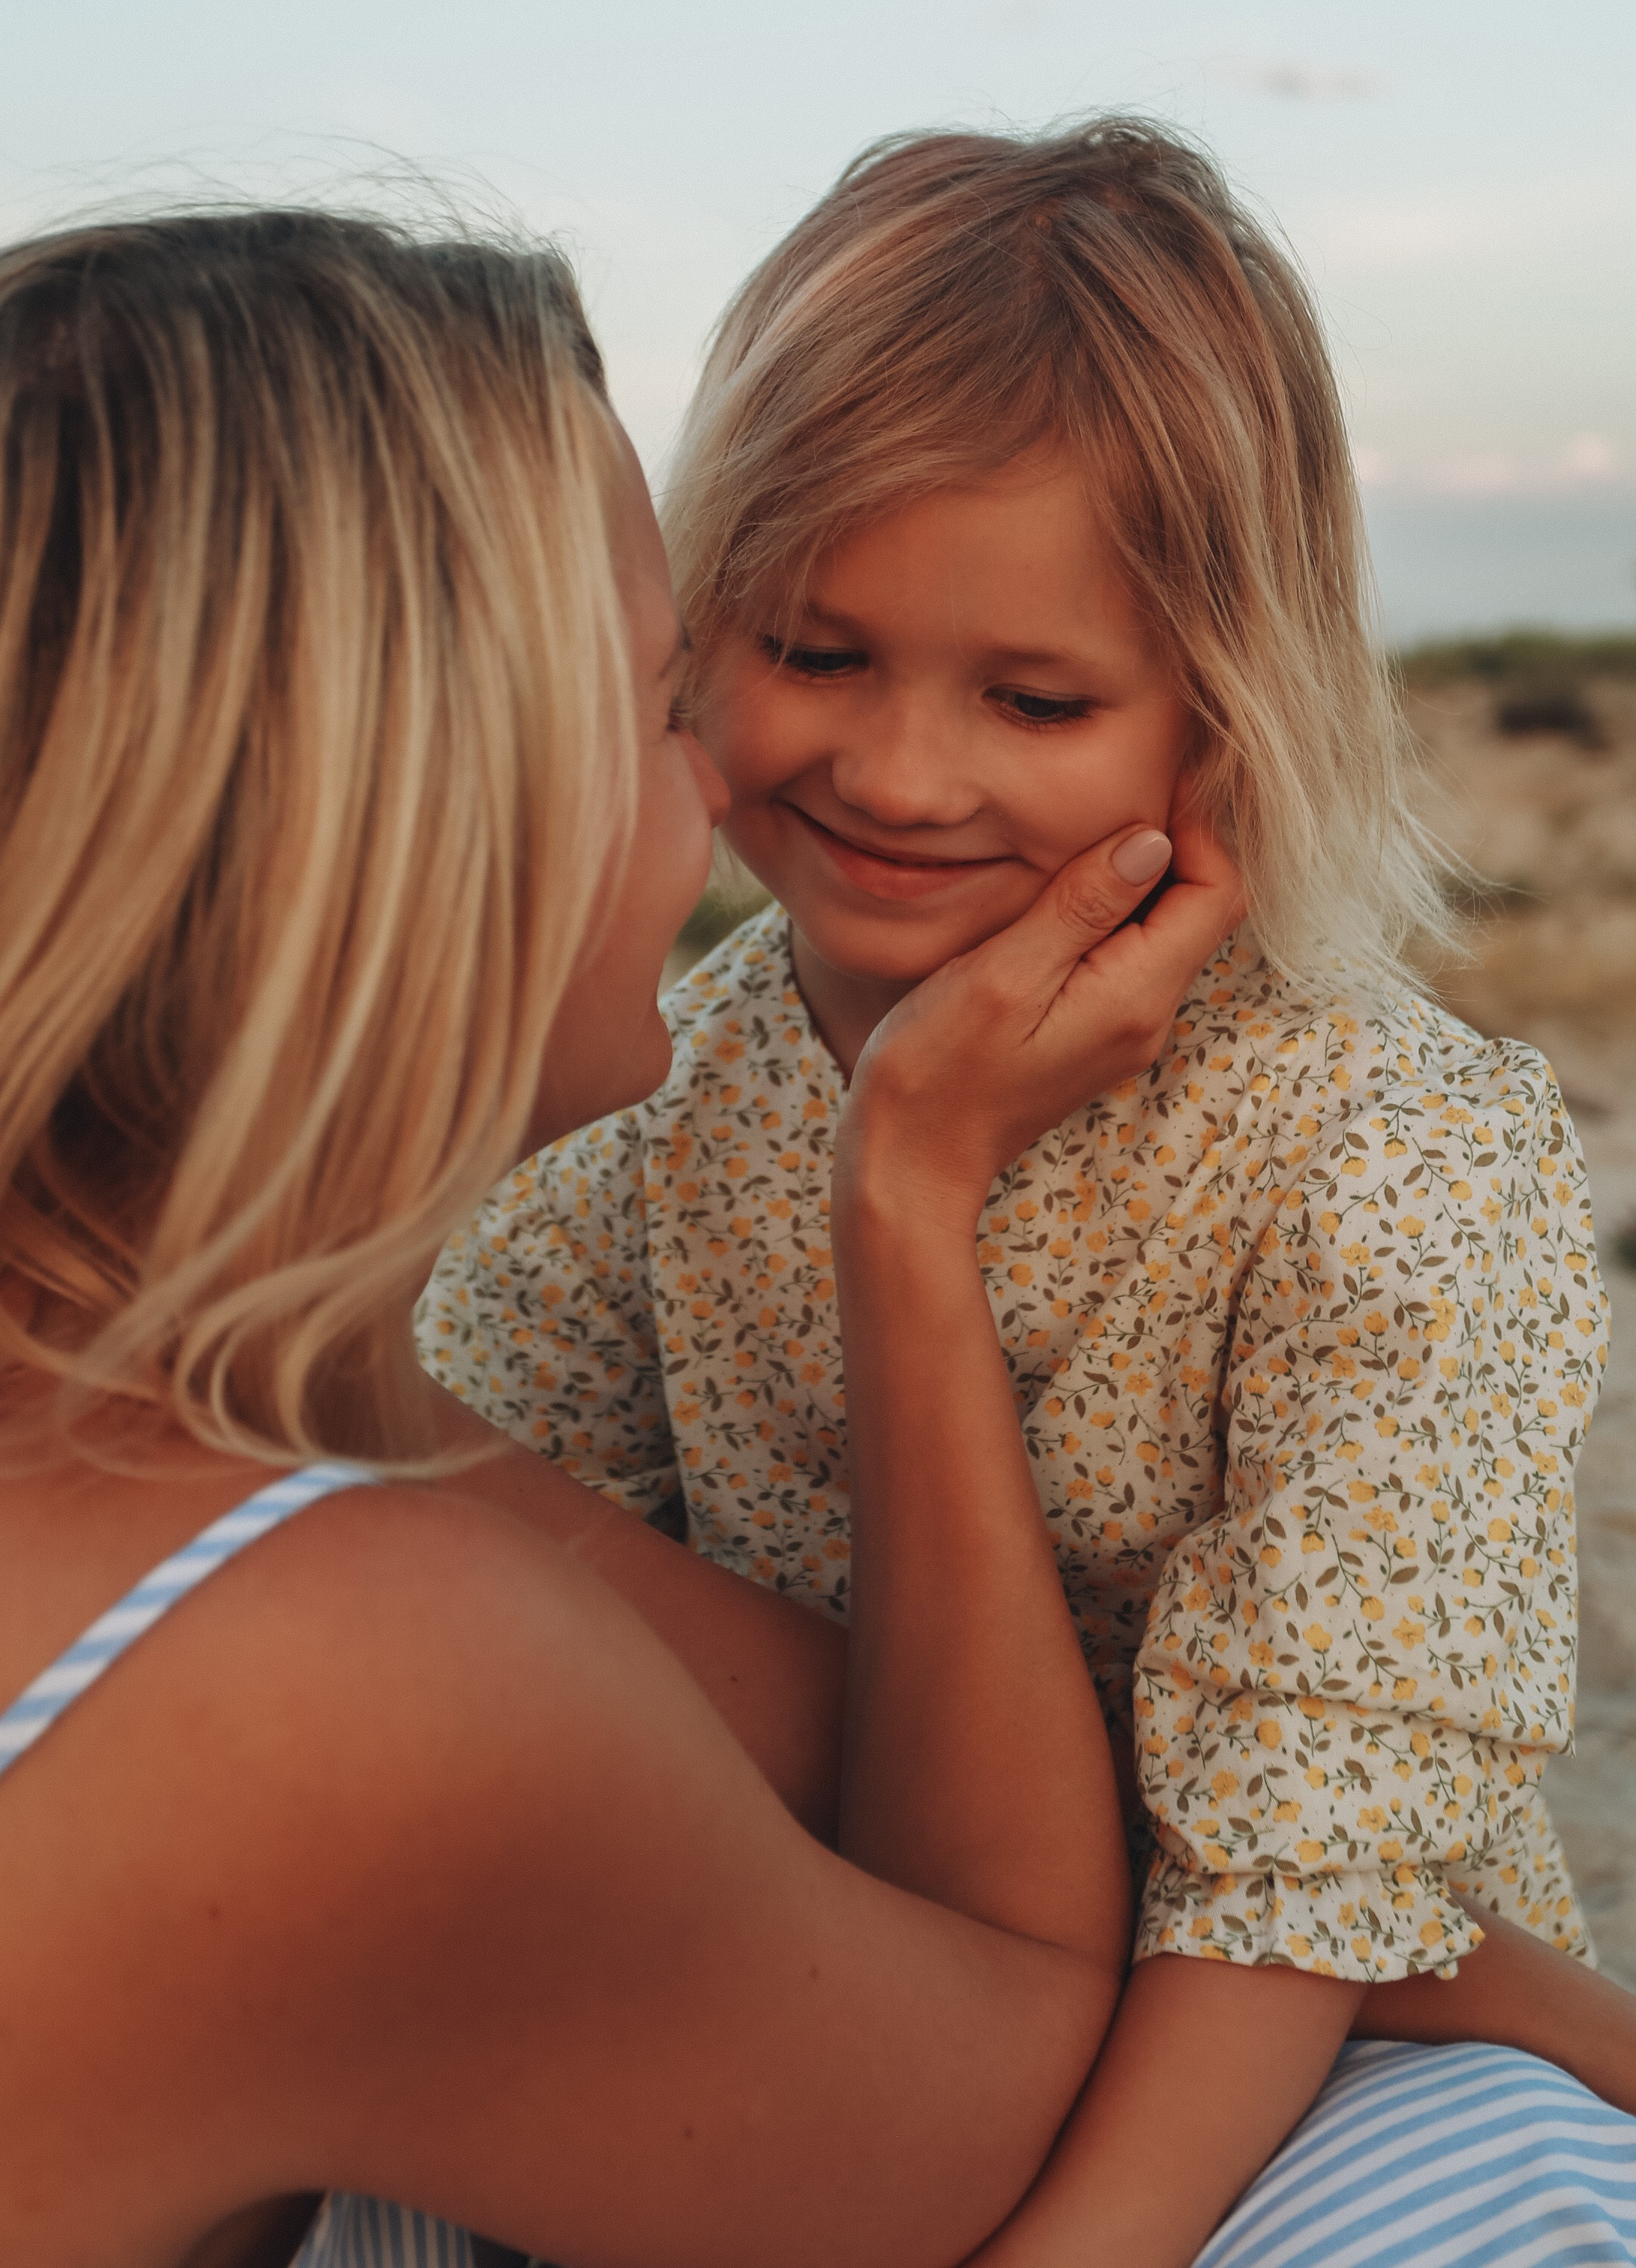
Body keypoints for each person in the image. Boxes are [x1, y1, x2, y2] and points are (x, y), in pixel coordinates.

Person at [0, 201, 1238, 2267]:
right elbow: (984, 2058)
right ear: (419, 808)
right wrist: (905, 1200)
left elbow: (818, 1752)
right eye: (660, 704)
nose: (717, 794)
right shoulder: (325, 1666)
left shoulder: (176, 1405)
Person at [421, 119, 1636, 2266]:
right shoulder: (641, 1129)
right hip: (843, 1987)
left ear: (1222, 713)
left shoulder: (1396, 1160)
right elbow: (532, 1666)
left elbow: (1313, 1885)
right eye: (816, 649)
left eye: (1034, 697)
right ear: (690, 633)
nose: (898, 772)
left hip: (1295, 2051)